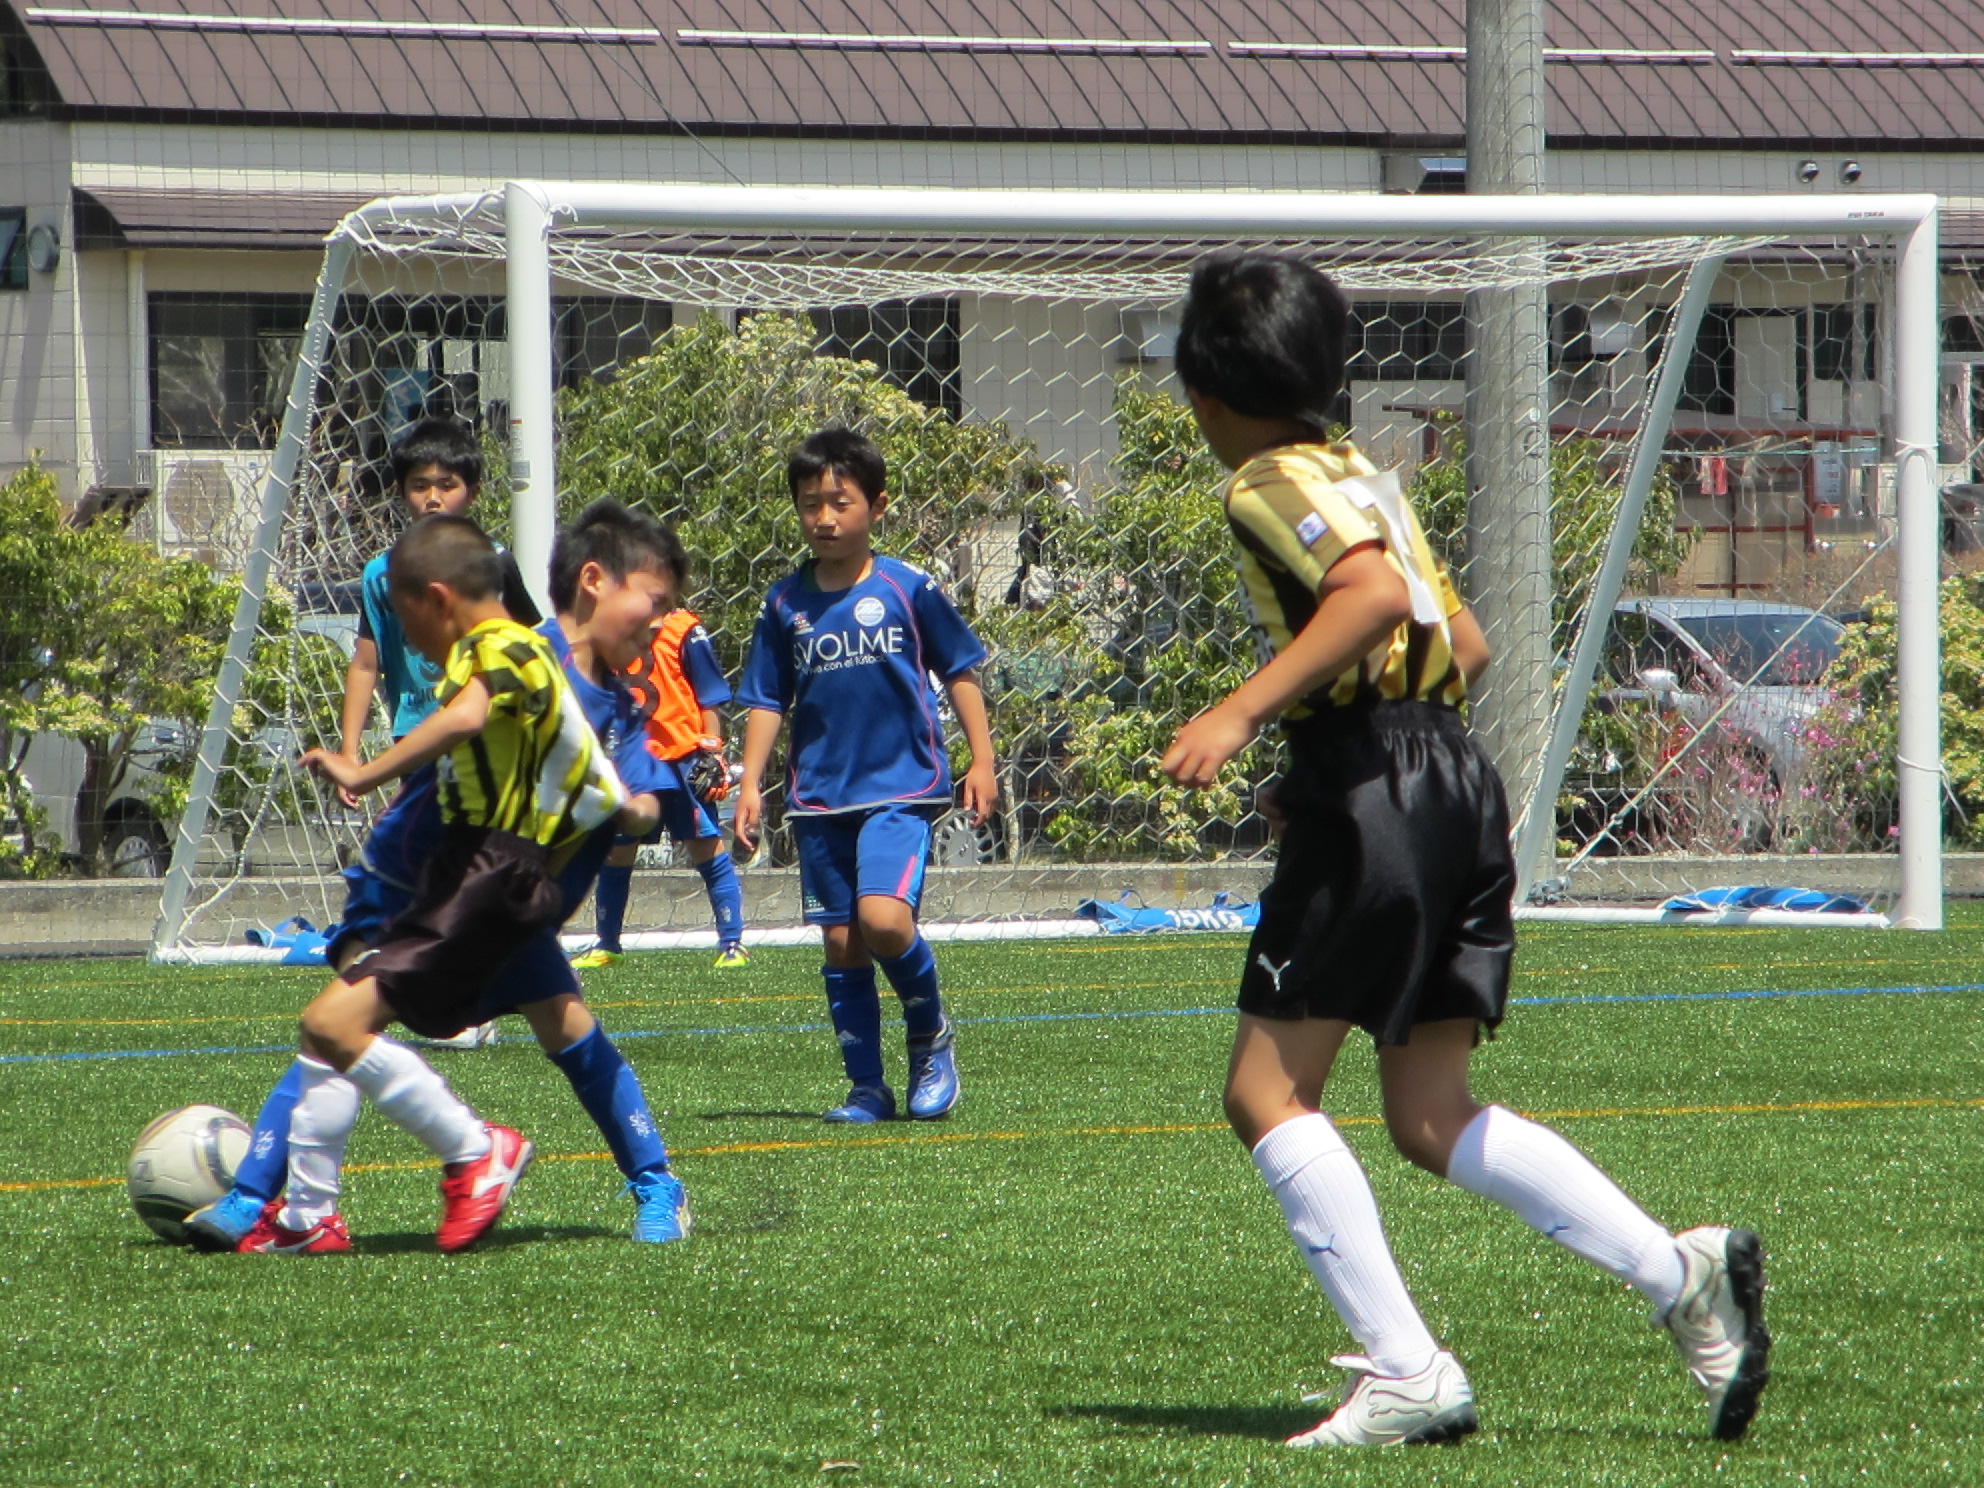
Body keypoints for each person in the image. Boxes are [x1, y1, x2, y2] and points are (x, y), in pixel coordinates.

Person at [1157, 250, 1770, 1447]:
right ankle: (1679, 1273)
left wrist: (1243, 715)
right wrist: (1331, 769)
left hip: (1381, 786)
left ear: (1204, 395)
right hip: (1447, 775)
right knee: (1430, 1112)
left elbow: (1374, 601)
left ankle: (1406, 1370)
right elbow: (1466, 642)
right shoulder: (1361, 473)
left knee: (1264, 1093)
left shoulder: (1265, 481)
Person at [188, 502, 697, 1252]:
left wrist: (632, 804)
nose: (661, 622)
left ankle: (650, 1184)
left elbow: (647, 807)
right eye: (654, 601)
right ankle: (264, 1198)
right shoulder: (525, 653)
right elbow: (460, 734)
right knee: (344, 1019)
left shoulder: (621, 710)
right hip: (434, 882)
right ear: (594, 581)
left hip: (505, 902)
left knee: (546, 1028)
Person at [732, 428, 996, 1124]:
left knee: (883, 919)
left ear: (876, 507)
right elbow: (767, 700)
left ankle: (930, 1034)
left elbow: (960, 670)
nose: (824, 518)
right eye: (809, 504)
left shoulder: (909, 588)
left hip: (901, 788)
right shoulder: (783, 604)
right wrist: (750, 784)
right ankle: (866, 1088)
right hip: (820, 798)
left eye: (840, 503)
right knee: (842, 941)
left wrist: (982, 760)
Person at [336, 417, 539, 1049]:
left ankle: (465, 996)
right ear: (401, 492)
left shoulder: (493, 565)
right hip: (416, 741)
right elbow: (366, 662)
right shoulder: (380, 574)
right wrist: (350, 752)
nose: (431, 497)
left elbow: (533, 644)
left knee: (462, 869)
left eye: (446, 485)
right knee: (425, 869)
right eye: (419, 485)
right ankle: (443, 997)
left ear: (471, 492)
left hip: (485, 743)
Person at [573, 602, 749, 970]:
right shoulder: (613, 627)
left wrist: (712, 751)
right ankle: (607, 944)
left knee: (705, 845)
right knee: (616, 850)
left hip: (683, 757)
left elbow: (709, 696)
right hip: (632, 757)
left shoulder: (685, 629)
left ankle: (732, 942)